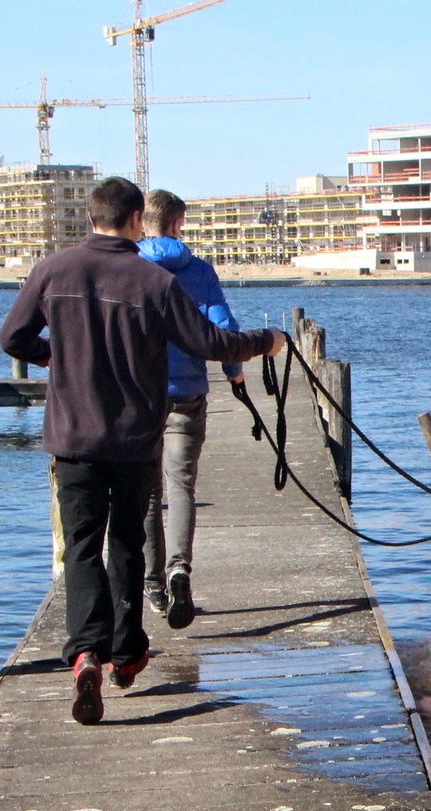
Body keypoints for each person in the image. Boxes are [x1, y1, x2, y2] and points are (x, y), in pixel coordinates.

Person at [0, 176, 280, 727]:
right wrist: (267, 341)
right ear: (135, 222)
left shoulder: (52, 270)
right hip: (132, 437)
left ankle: (84, 654)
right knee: (126, 541)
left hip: (72, 438)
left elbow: (12, 338)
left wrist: (57, 357)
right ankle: (126, 654)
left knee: (81, 546)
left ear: (90, 219)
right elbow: (212, 343)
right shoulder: (152, 282)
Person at [138, 188, 239, 629]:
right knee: (181, 488)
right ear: (178, 224)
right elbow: (224, 328)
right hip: (186, 393)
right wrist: (235, 371)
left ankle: (153, 587)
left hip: (139, 398)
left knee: (147, 496)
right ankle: (180, 568)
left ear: (143, 222)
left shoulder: (128, 268)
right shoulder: (198, 271)